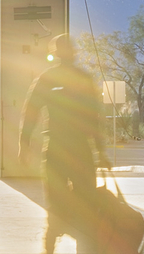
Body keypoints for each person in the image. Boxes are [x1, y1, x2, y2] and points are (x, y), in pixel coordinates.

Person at [21, 34, 109, 253]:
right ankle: (55, 246)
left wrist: (100, 151)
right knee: (64, 206)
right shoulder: (52, 78)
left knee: (77, 207)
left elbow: (93, 116)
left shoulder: (66, 78)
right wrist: (24, 143)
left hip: (71, 150)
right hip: (64, 151)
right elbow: (32, 111)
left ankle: (63, 247)